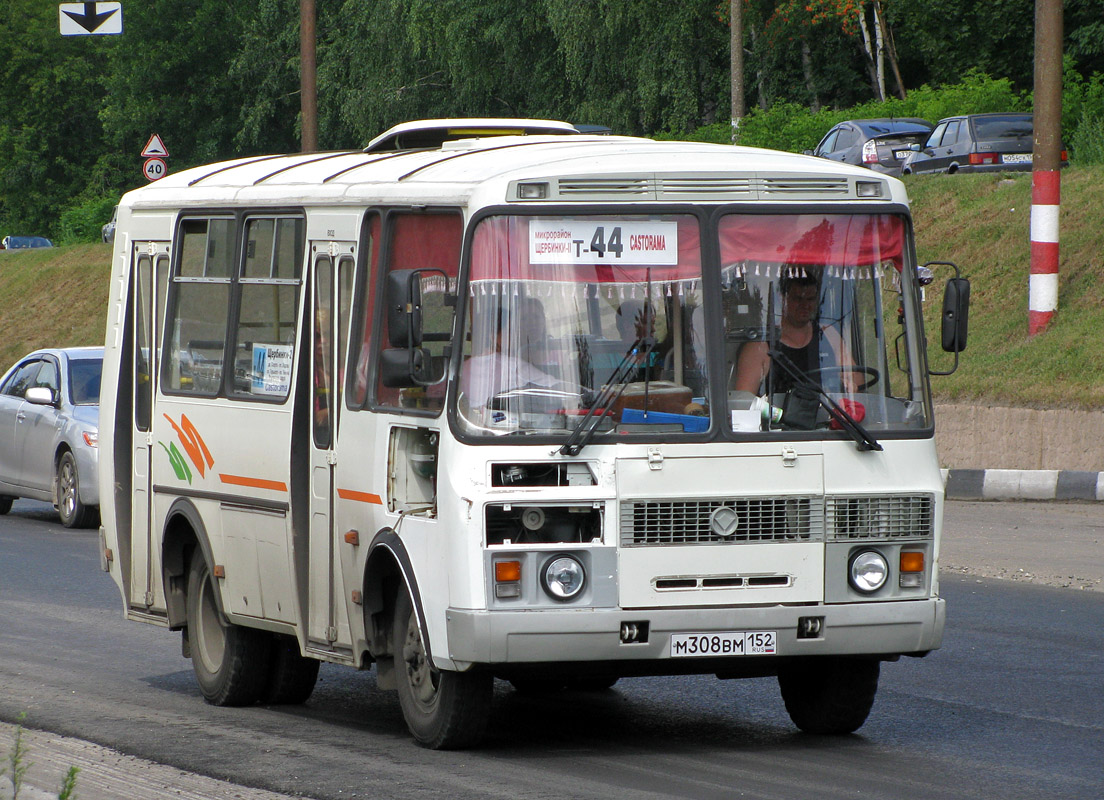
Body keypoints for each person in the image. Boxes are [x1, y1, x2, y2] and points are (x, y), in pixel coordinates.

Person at [732, 273, 854, 395]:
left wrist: (847, 384)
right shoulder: (760, 346)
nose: (805, 305)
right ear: (782, 298)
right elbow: (744, 403)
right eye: (798, 299)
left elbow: (857, 381)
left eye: (810, 299)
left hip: (829, 412)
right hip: (779, 413)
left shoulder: (829, 334)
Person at [460, 297, 561, 413]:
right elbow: (555, 385)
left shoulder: (464, 367)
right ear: (492, 336)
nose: (515, 336)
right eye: (510, 331)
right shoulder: (514, 366)